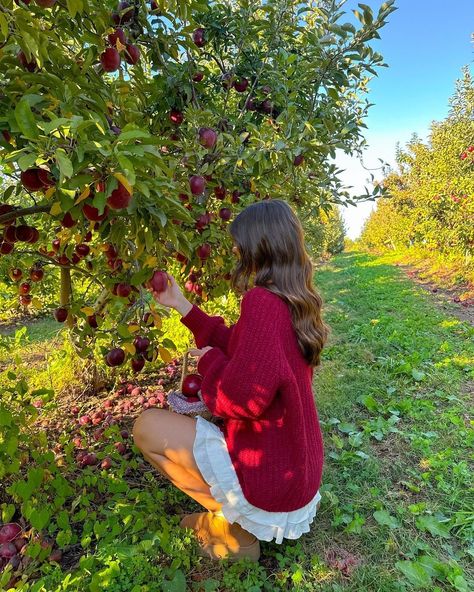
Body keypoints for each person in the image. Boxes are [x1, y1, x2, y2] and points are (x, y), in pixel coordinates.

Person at [133, 198, 330, 562]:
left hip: (271, 477)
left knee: (146, 427)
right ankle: (233, 519)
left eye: (240, 242)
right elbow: (241, 346)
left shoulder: (262, 303)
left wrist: (209, 365)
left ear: (260, 245)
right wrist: (181, 304)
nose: (236, 249)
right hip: (296, 469)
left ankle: (235, 530)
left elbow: (239, 399)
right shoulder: (293, 301)